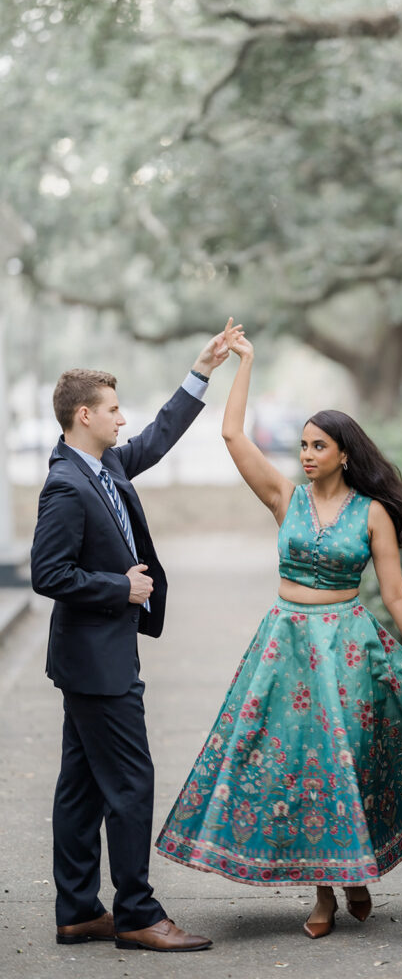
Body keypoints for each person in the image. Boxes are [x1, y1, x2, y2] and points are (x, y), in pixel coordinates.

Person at [156, 321, 402, 939]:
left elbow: (396, 594)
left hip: (349, 648)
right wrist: (243, 363)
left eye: (318, 446)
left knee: (341, 764)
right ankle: (325, 891)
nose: (305, 454)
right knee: (298, 763)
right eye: (302, 445)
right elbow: (231, 433)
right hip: (286, 645)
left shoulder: (372, 513)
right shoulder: (283, 497)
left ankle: (352, 875)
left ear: (343, 454)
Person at [31, 327, 236, 953]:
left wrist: (200, 371)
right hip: (99, 662)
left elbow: (160, 435)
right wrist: (119, 588)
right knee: (129, 782)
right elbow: (49, 573)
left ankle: (78, 911)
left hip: (93, 658)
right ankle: (138, 914)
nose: (125, 419)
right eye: (114, 409)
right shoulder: (66, 485)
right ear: (84, 415)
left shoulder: (105, 462)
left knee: (83, 784)